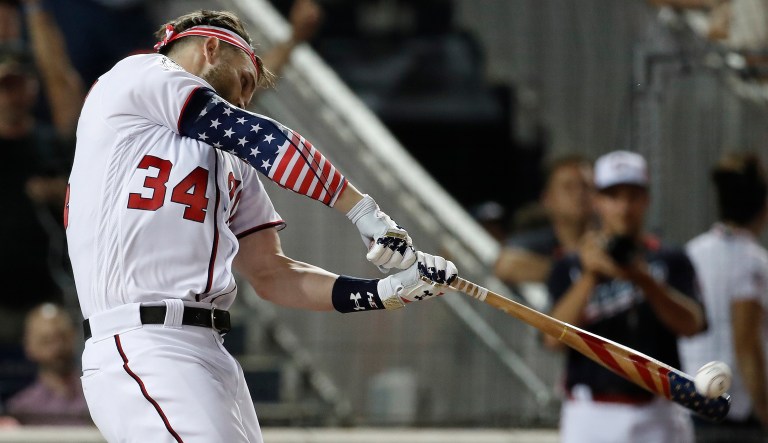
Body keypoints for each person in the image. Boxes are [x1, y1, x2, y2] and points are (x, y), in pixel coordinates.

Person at [66, 9, 458, 442]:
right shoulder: (138, 74)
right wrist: (366, 213)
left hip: (209, 353)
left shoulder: (231, 161)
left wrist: (383, 293)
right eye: (245, 79)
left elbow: (272, 274)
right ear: (211, 47)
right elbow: (255, 134)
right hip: (140, 341)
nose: (246, 97)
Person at [545, 150, 705, 443]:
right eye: (613, 196)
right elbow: (552, 339)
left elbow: (693, 324)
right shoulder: (571, 264)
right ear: (597, 201)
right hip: (591, 411)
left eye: (633, 196)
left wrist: (645, 280)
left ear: (646, 200)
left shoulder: (668, 259)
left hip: (659, 410)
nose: (623, 207)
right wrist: (590, 276)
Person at [679, 152, 768, 442]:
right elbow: (746, 342)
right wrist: (765, 409)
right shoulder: (752, 261)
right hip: (737, 412)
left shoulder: (691, 252)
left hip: (690, 403)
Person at [494, 155, 594, 285]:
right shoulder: (539, 242)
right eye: (568, 187)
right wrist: (573, 272)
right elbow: (506, 265)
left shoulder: (611, 239)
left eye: (586, 186)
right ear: (547, 199)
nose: (579, 194)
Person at [5, 303, 90, 426]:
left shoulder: (98, 394)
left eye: (63, 337)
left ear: (74, 338)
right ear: (29, 345)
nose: (57, 347)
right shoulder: (20, 410)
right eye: (46, 340)